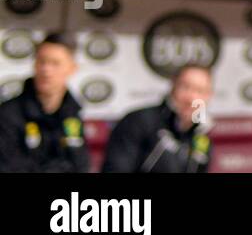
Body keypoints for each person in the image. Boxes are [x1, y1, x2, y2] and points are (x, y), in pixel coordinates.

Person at [0, 34, 90, 172]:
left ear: (72, 68)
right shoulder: (8, 114)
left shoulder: (72, 114)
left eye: (55, 63)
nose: (46, 70)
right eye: (41, 61)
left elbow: (81, 165)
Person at [101, 65, 214, 173]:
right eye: (185, 87)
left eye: (200, 91)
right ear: (173, 86)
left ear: (209, 96)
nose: (191, 98)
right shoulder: (138, 121)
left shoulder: (202, 137)